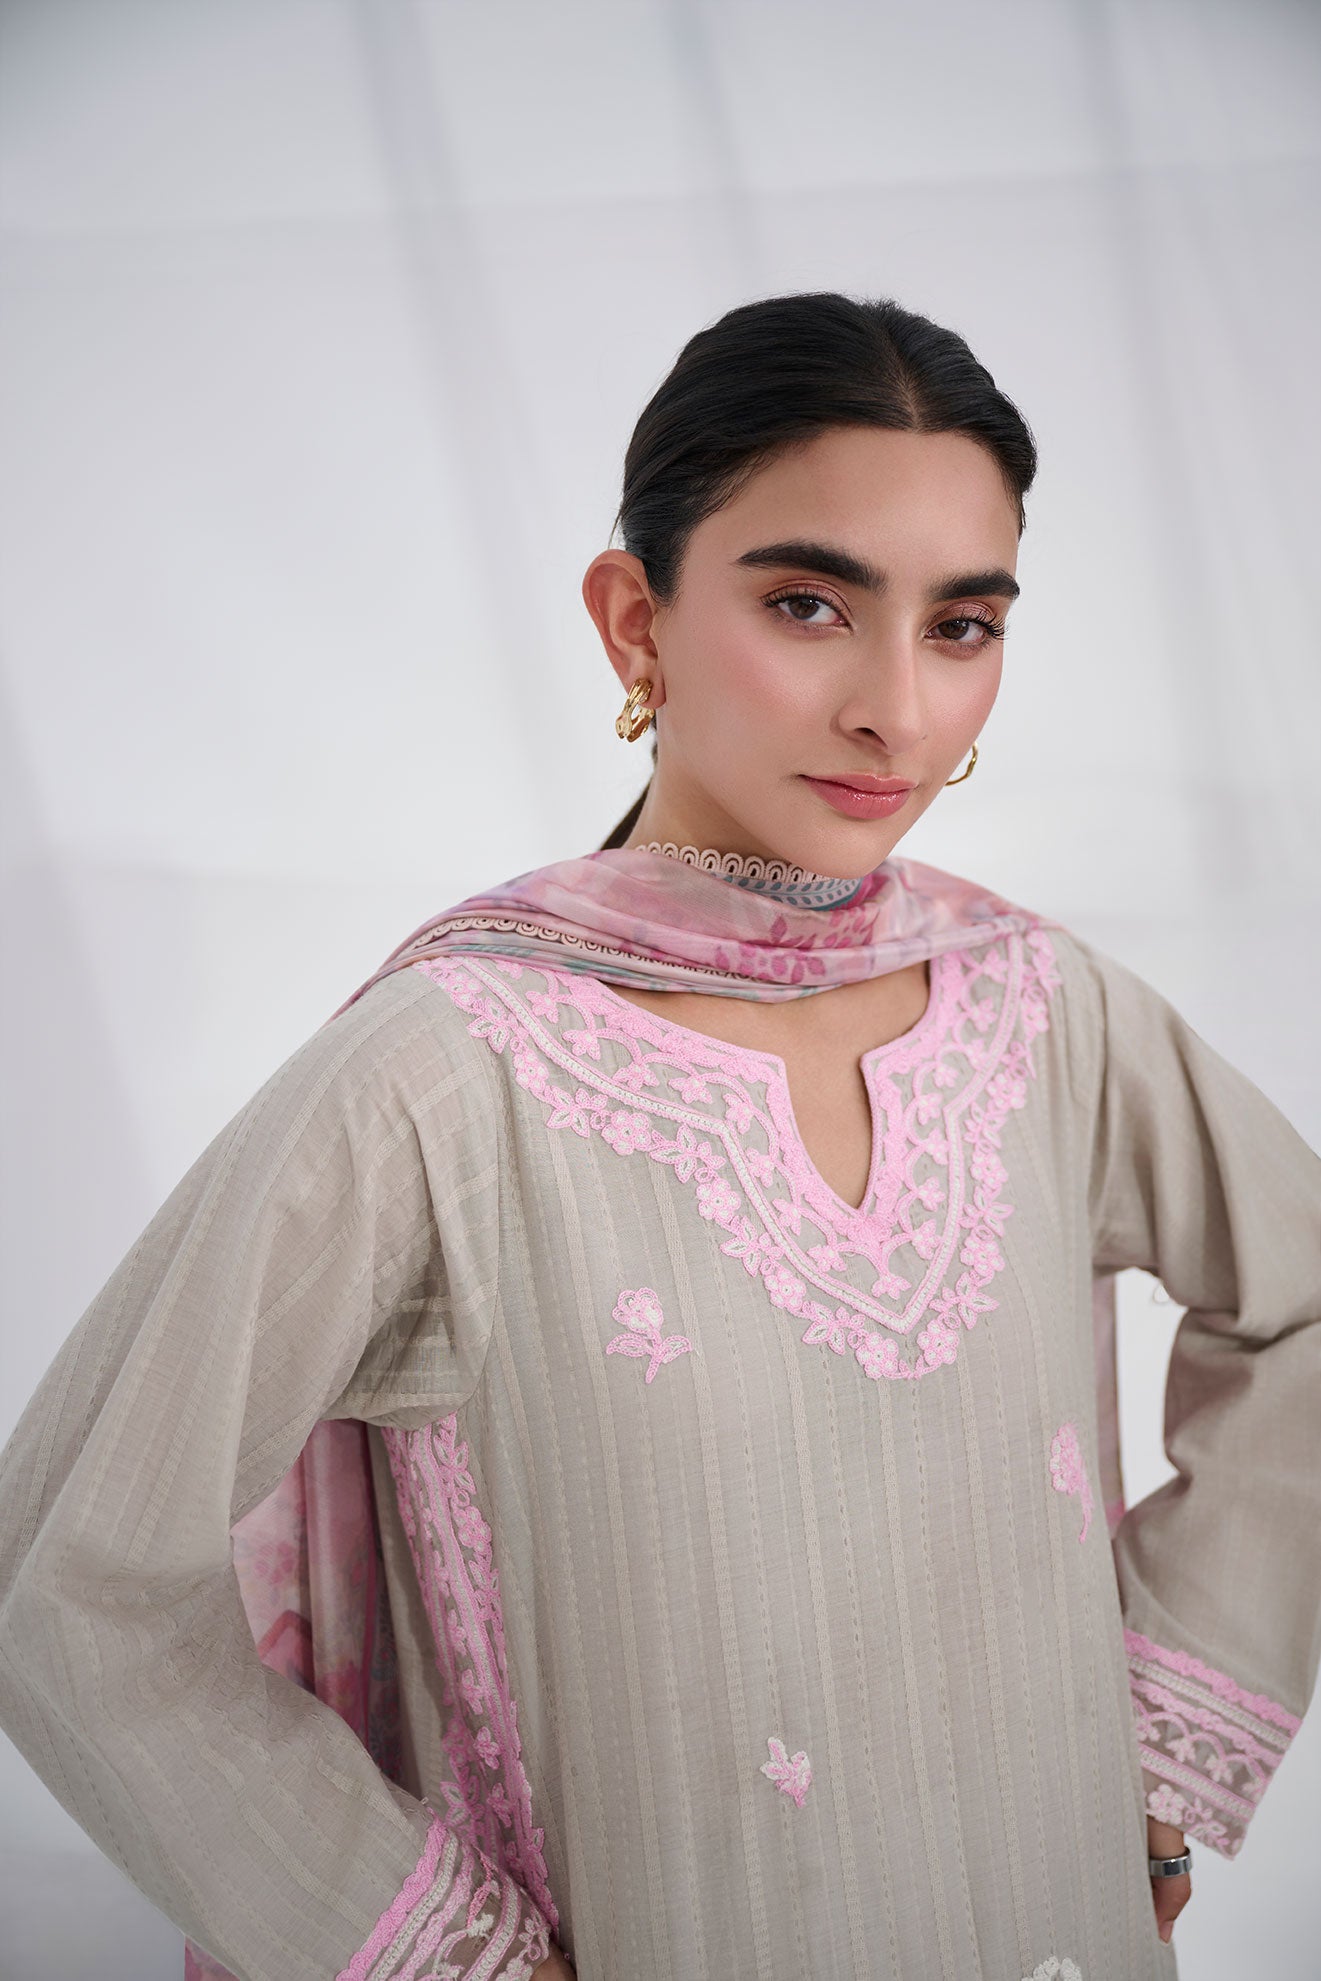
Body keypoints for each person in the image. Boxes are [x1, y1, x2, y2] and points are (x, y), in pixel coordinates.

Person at [0, 292, 1316, 1981]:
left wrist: (1155, 1751)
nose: (896, 710)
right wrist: (441, 1952)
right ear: (636, 622)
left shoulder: (1040, 1011)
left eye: (959, 625)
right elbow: (68, 1575)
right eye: (807, 604)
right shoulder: (454, 1076)